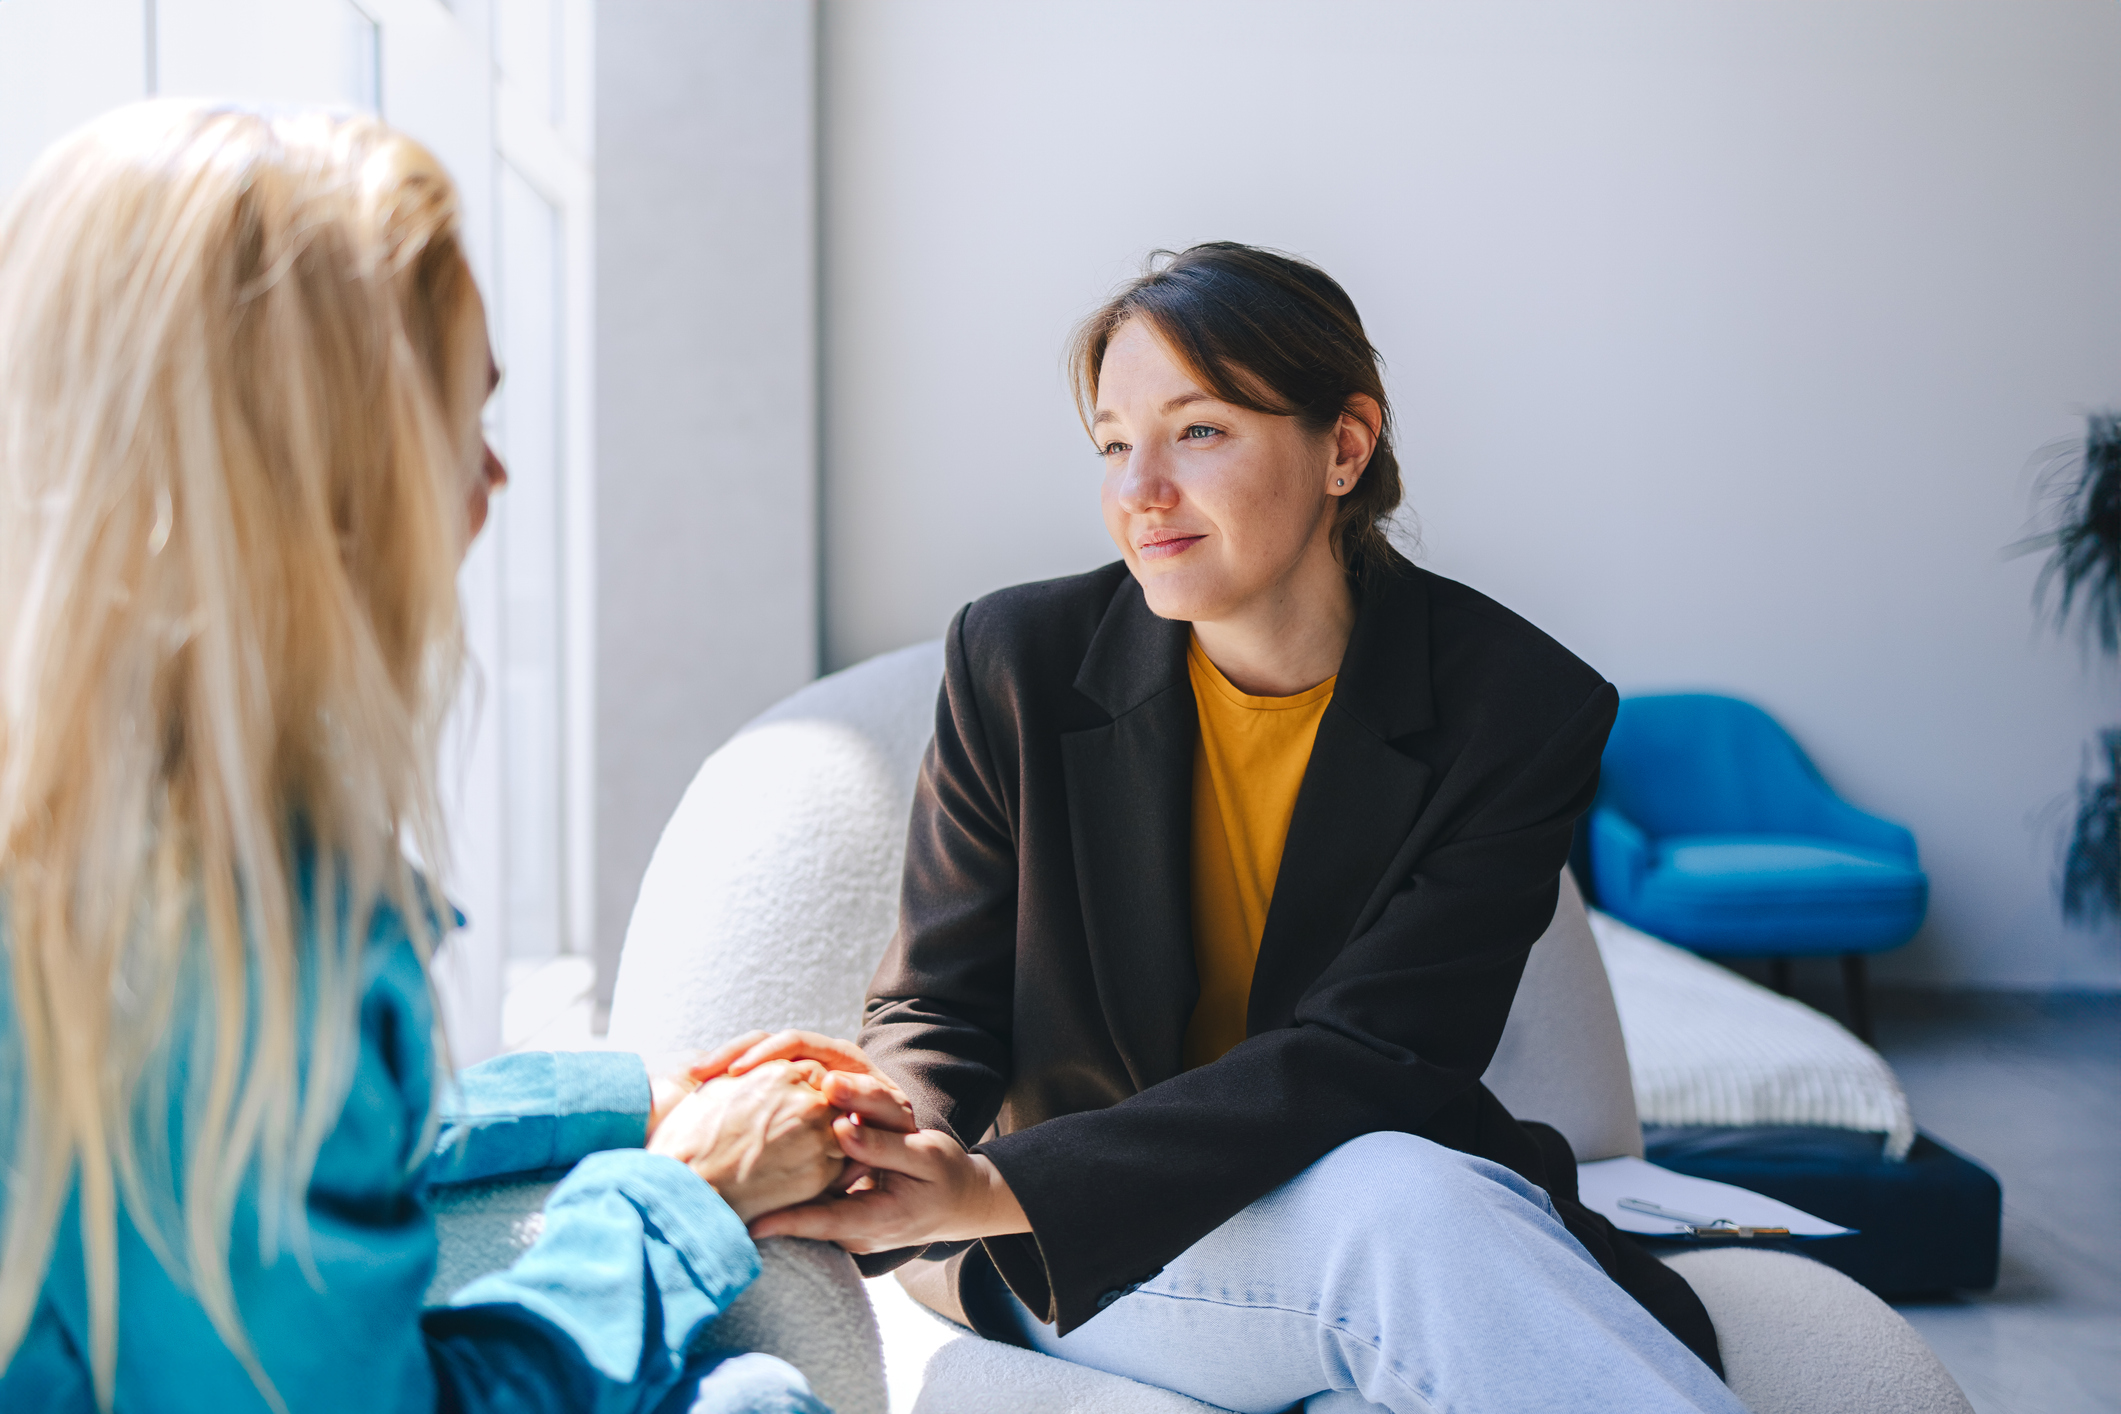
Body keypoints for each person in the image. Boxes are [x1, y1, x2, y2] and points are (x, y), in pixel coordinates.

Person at [705, 244, 1752, 1414]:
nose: (1138, 489)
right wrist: (904, 1146)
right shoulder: (1018, 664)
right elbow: (937, 1005)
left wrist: (988, 1181)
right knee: (1404, 1211)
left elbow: (1378, 1059)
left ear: (1344, 448)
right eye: (1112, 443)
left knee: (1396, 1211)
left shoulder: (1520, 708)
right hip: (1080, 1240)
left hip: (1334, 1186)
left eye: (1198, 430)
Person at [0, 102, 905, 1414]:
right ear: (321, 468)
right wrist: (685, 1191)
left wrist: (621, 1095)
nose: (492, 477)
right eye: (457, 417)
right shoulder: (244, 923)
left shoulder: (88, 835)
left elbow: (253, 1170)